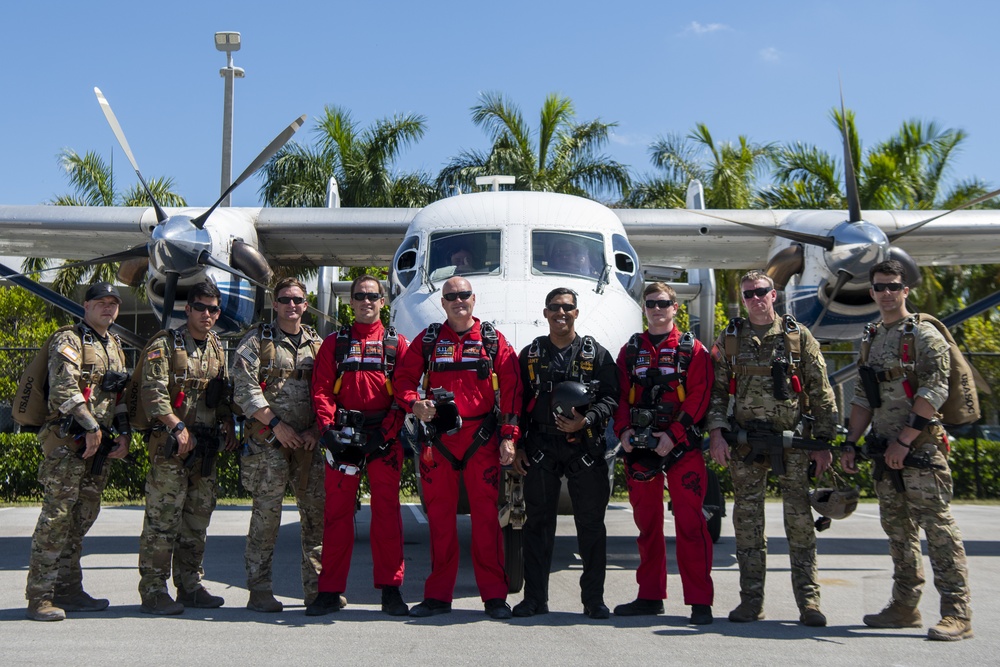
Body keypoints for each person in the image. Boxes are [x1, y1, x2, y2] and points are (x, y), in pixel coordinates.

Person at [841, 260, 973, 641]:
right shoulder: (871, 337)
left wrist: (905, 440)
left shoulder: (924, 334)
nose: (886, 293)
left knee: (939, 529)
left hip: (919, 449)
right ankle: (904, 606)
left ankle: (957, 612)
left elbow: (936, 389)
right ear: (871, 292)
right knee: (898, 533)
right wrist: (850, 442)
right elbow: (864, 396)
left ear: (905, 290)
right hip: (885, 451)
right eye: (879, 287)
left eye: (893, 286)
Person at [707, 270, 836, 626]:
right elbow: (716, 392)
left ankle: (809, 603)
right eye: (748, 294)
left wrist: (822, 443)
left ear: (774, 295)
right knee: (747, 525)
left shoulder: (798, 336)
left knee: (800, 525)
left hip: (793, 445)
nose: (755, 299)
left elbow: (821, 392)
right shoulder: (731, 337)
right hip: (746, 445)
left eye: (761, 291)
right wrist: (717, 432)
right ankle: (751, 601)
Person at [394, 276, 522, 619]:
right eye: (450, 296)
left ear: (473, 298)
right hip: (440, 441)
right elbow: (403, 380)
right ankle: (437, 596)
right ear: (443, 301)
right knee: (439, 521)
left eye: (463, 294)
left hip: (481, 439)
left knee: (486, 522)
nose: (457, 300)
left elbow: (511, 388)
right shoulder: (430, 340)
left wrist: (509, 435)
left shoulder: (493, 341)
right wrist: (414, 403)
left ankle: (495, 597)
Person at [24, 282, 131, 621]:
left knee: (81, 520)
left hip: (96, 449)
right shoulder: (68, 339)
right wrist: (91, 426)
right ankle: (39, 597)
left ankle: (69, 589)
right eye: (101, 302)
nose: (108, 308)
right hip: (68, 444)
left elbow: (119, 396)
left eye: (113, 303)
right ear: (85, 306)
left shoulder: (114, 345)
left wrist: (124, 434)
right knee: (56, 520)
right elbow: (64, 390)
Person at [512, 288, 619, 620]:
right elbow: (516, 402)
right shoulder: (529, 355)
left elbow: (612, 399)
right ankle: (534, 599)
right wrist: (514, 445)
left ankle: (593, 600)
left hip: (584, 446)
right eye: (554, 307)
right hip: (540, 447)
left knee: (591, 525)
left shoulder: (596, 354)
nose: (561, 312)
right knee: (537, 526)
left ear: (576, 312)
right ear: (545, 313)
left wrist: (586, 420)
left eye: (567, 307)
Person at [308, 275, 411, 617]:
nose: (367, 301)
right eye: (360, 296)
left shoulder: (399, 345)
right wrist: (328, 430)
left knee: (387, 516)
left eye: (373, 296)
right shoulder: (334, 344)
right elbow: (322, 390)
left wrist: (386, 433)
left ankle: (392, 590)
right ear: (349, 302)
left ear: (383, 301)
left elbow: (406, 393)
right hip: (344, 440)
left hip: (384, 439)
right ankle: (330, 591)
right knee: (336, 516)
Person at [613, 283, 715, 625]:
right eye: (651, 303)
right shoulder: (630, 350)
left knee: (691, 525)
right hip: (641, 449)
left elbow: (699, 395)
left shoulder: (693, 350)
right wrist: (624, 432)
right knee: (647, 526)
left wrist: (674, 434)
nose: (657, 309)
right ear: (644, 308)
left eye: (663, 303)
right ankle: (650, 596)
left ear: (675, 307)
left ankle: (700, 602)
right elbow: (619, 394)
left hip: (681, 448)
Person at [137, 280, 233, 615]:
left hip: (204, 449)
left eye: (214, 309)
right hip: (171, 447)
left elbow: (220, 393)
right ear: (188, 309)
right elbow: (152, 390)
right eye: (202, 308)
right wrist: (176, 425)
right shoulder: (166, 344)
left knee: (197, 520)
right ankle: (153, 591)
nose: (208, 315)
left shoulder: (217, 347)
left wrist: (227, 422)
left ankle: (189, 585)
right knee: (163, 521)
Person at [231, 277, 324, 613]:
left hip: (308, 445)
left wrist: (316, 429)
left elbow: (328, 390)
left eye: (298, 300)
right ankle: (259, 591)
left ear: (306, 303)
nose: (292, 306)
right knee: (266, 520)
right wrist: (276, 424)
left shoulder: (318, 344)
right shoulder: (257, 341)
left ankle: (316, 593)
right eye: (285, 299)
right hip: (268, 444)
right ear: (275, 303)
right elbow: (244, 390)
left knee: (315, 520)